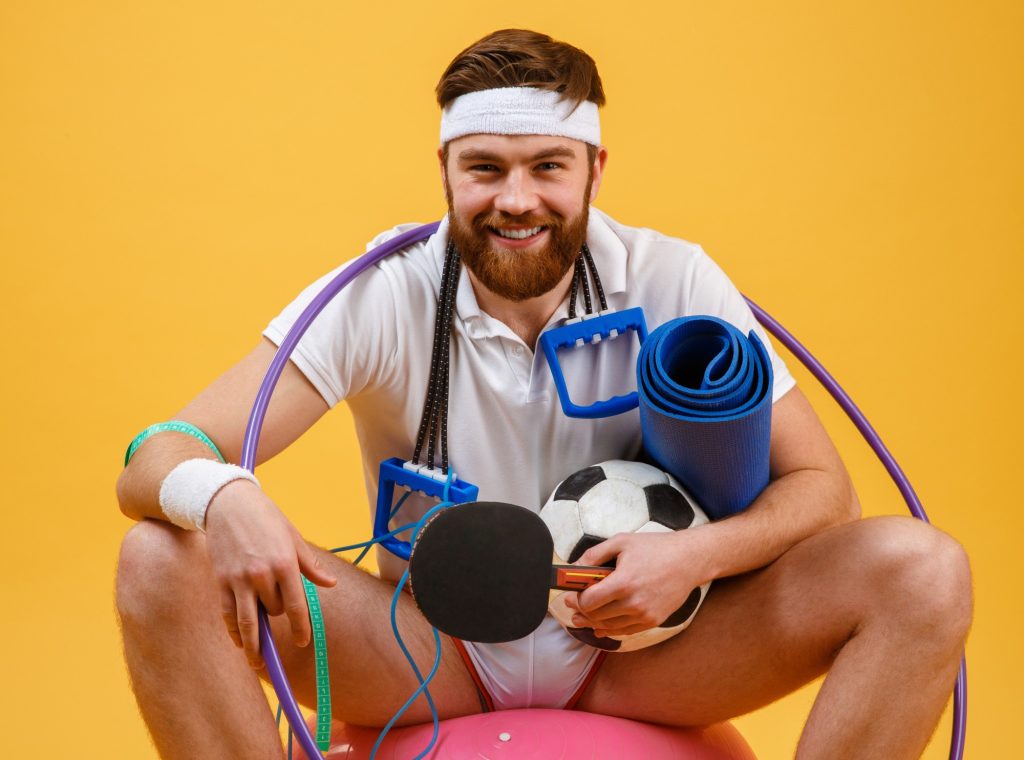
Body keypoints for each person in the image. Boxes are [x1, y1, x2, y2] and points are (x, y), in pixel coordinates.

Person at [115, 29, 972, 760]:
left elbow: (827, 492)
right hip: (425, 651)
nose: (514, 200)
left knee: (925, 573)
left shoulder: (671, 275)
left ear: (596, 168)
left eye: (547, 167)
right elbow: (157, 451)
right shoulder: (382, 288)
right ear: (445, 169)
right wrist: (225, 496)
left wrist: (694, 557)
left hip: (646, 657)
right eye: (484, 167)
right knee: (159, 560)